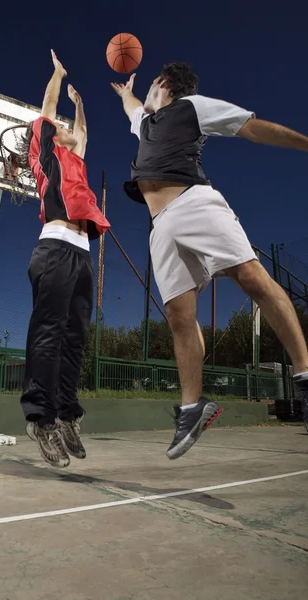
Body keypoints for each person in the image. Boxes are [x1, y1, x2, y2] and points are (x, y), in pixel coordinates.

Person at [111, 62, 308, 459]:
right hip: (160, 224)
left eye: (151, 84)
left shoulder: (192, 107)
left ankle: (304, 373)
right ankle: (192, 407)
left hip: (194, 202)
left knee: (252, 277)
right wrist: (124, 92)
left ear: (164, 84)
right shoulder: (145, 124)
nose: (145, 92)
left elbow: (252, 127)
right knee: (179, 317)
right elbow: (133, 107)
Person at [18, 50, 110, 467]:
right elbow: (47, 109)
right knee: (49, 335)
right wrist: (57, 75)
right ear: (50, 137)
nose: (70, 129)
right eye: (63, 128)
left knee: (75, 339)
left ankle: (68, 413)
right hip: (54, 249)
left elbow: (84, 130)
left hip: (82, 256)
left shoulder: (78, 162)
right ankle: (41, 418)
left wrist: (81, 103)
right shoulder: (46, 157)